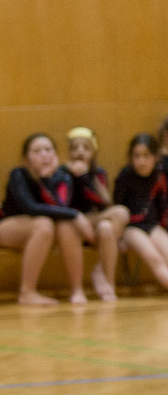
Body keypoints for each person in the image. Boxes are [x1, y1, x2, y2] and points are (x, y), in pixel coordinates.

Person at [0, 132, 92, 306]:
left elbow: (60, 208)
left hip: (44, 235)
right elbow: (30, 208)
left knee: (66, 225)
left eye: (48, 150)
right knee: (44, 224)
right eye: (37, 151)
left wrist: (48, 181)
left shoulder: (61, 177)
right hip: (8, 228)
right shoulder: (18, 175)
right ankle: (27, 292)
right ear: (26, 159)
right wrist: (76, 214)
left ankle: (77, 290)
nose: (44, 155)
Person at [64, 127, 128, 303]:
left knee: (109, 225)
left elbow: (104, 202)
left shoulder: (97, 173)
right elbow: (64, 202)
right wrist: (75, 176)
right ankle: (97, 276)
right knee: (119, 214)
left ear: (93, 152)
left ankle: (107, 281)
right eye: (75, 148)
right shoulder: (63, 173)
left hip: (95, 224)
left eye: (86, 148)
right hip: (74, 226)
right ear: (69, 152)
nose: (80, 152)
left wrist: (87, 176)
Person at [114, 133, 168, 292]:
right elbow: (117, 206)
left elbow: (161, 206)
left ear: (155, 157)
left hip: (151, 225)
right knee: (154, 258)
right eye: (136, 156)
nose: (141, 161)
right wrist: (118, 237)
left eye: (146, 156)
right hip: (131, 228)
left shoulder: (158, 175)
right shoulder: (125, 176)